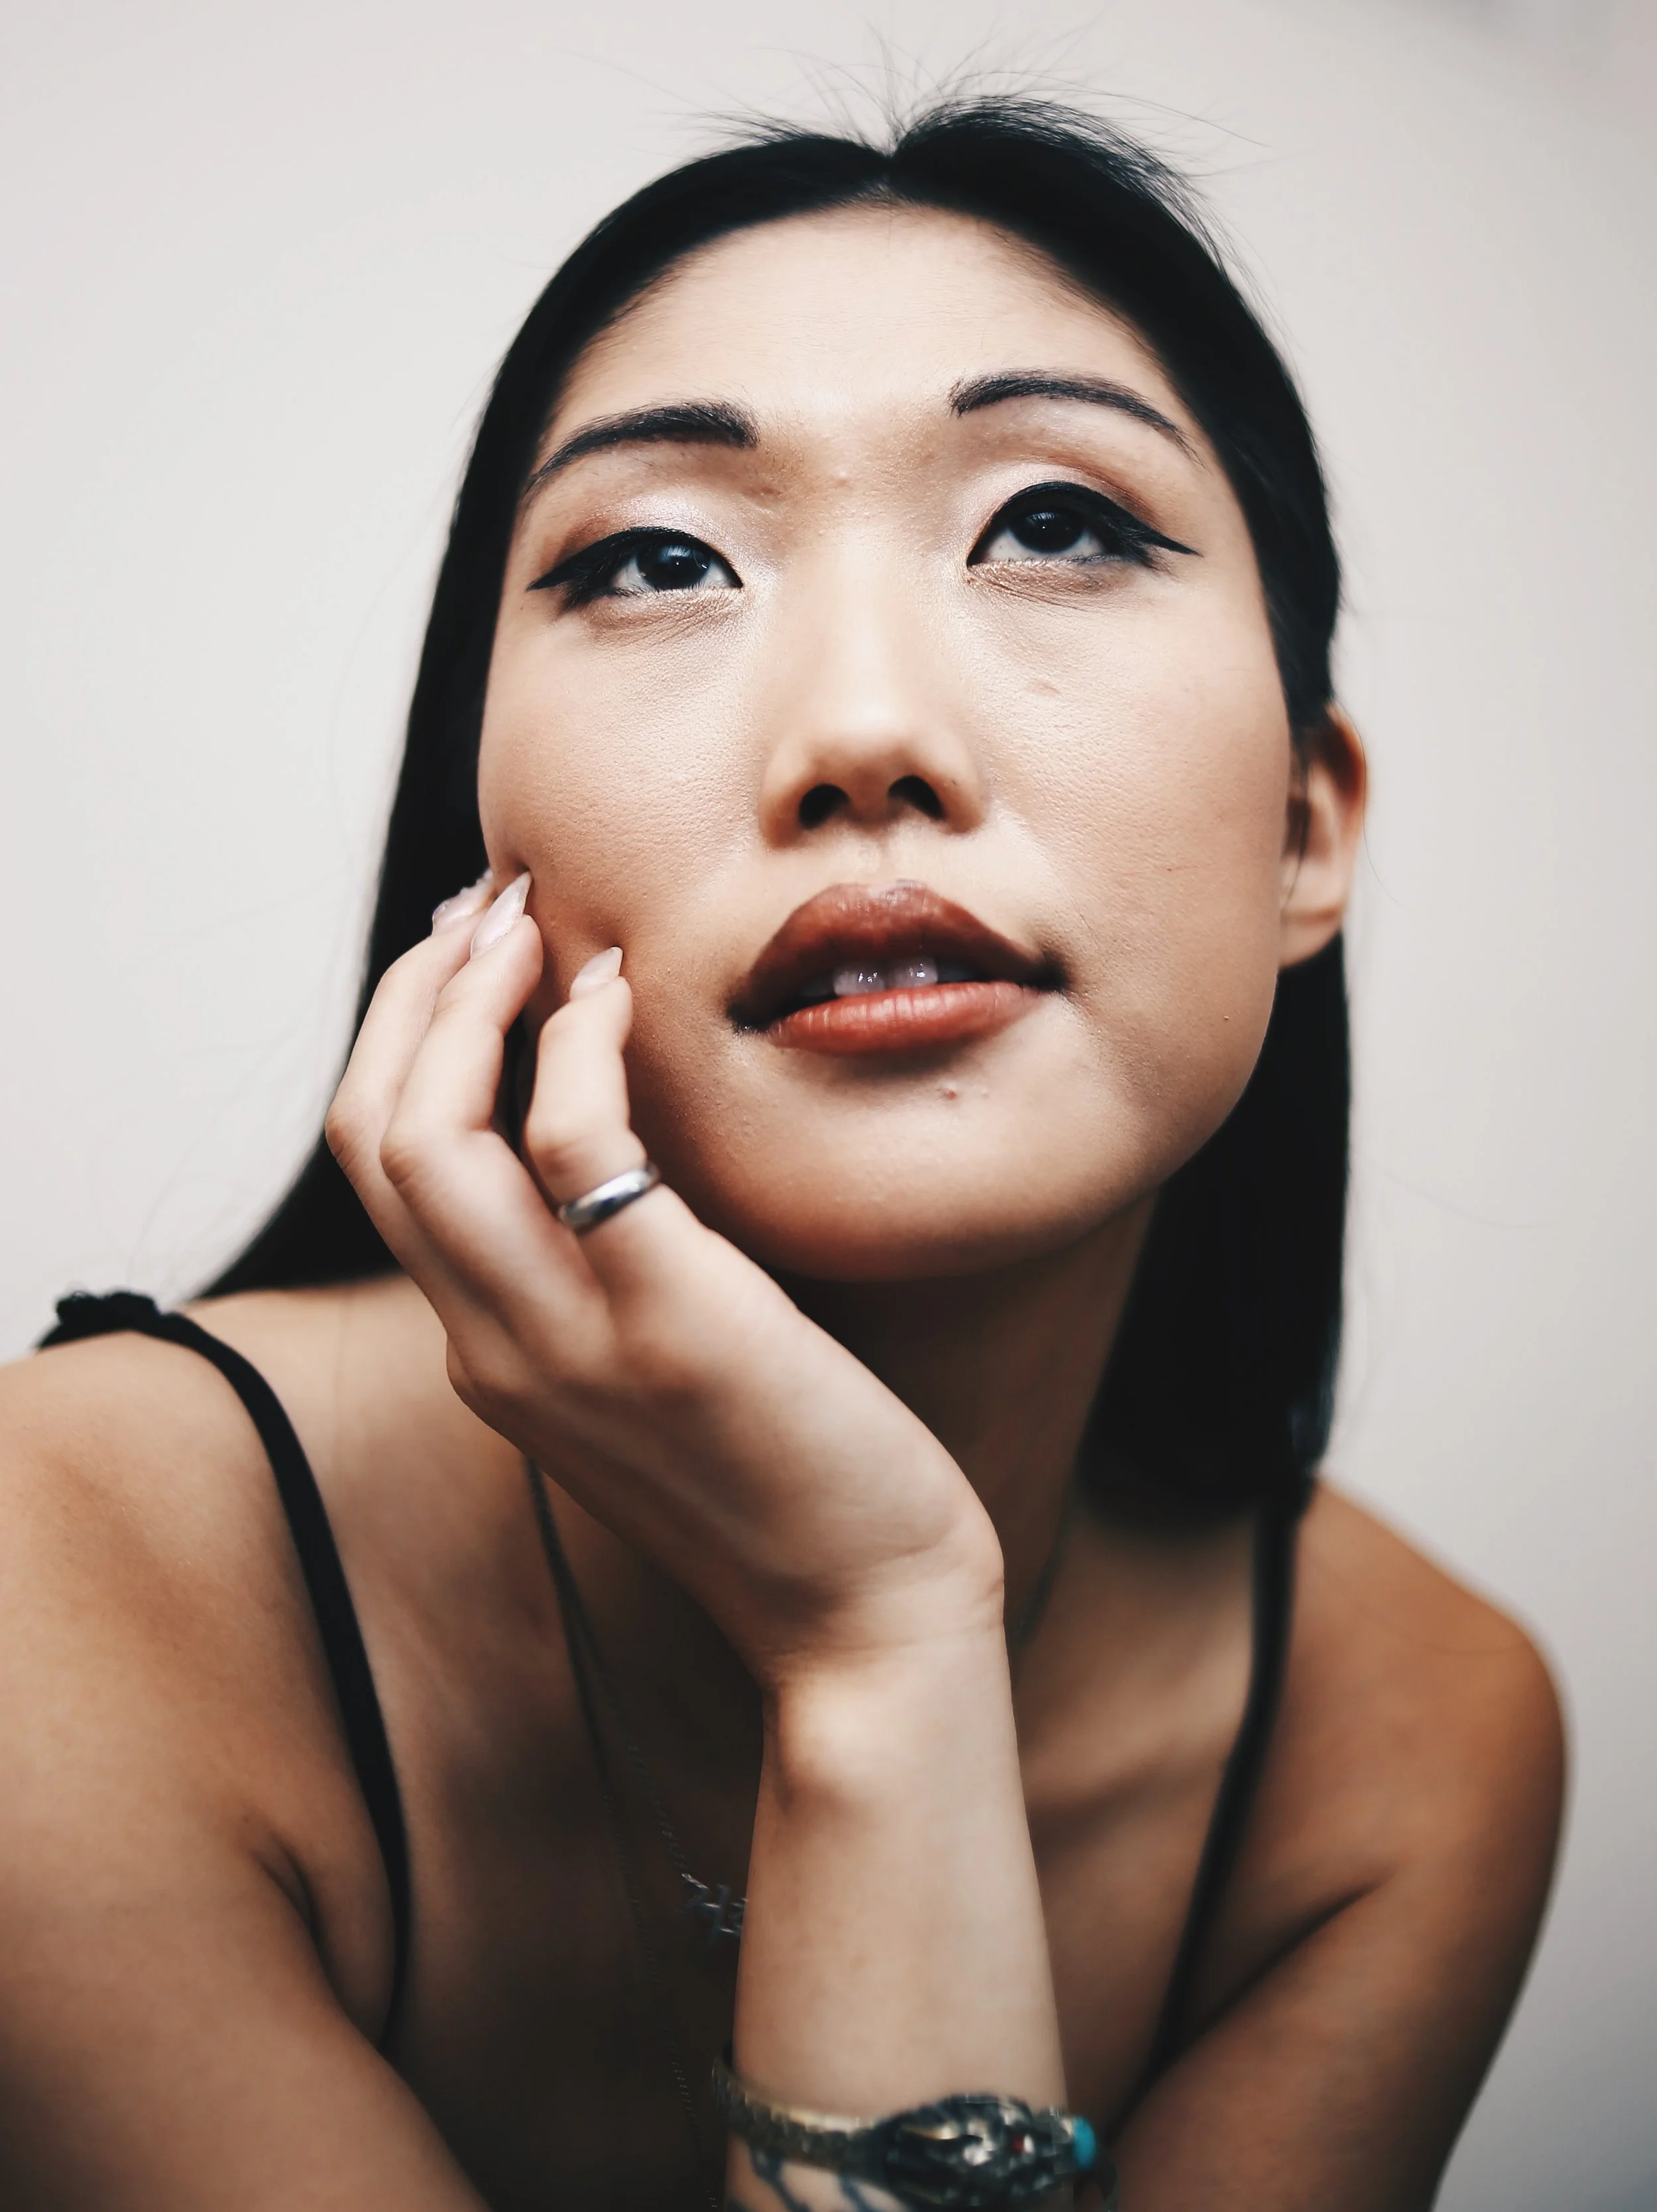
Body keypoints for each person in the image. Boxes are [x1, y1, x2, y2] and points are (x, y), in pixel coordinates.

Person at [0, 98, 1562, 2212]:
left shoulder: (1394, 1747)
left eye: (1052, 524)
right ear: (486, 847)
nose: (861, 734)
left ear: (1303, 827)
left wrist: (878, 1660)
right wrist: (880, 1645)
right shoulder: (55, 1577)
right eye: (661, 561)